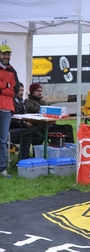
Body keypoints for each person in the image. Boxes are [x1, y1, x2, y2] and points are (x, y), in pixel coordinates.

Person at [25, 83, 74, 147]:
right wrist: (46, 110)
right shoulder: (28, 101)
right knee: (64, 129)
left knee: (68, 127)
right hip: (40, 127)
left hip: (49, 125)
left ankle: (70, 148)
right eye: (37, 91)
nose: (40, 93)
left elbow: (52, 110)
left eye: (41, 91)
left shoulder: (43, 102)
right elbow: (31, 109)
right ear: (32, 91)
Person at [0, 43, 19, 178]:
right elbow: (10, 88)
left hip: (7, 109)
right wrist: (6, 85)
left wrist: (3, 88)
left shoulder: (13, 71)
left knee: (2, 140)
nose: (6, 56)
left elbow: (15, 90)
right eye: (4, 54)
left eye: (8, 54)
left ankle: (2, 168)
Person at [9, 83, 33, 160]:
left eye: (22, 90)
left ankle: (36, 156)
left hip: (18, 127)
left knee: (35, 131)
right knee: (27, 132)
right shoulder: (10, 102)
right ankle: (24, 159)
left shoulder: (21, 102)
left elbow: (24, 115)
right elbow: (11, 121)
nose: (21, 92)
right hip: (8, 131)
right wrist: (25, 124)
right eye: (19, 90)